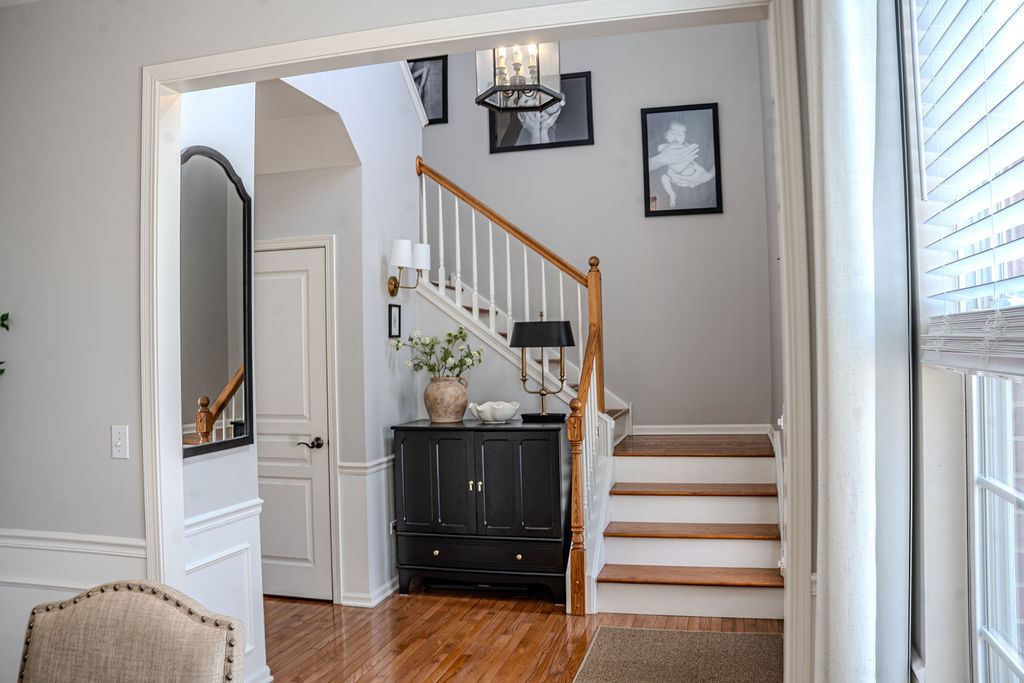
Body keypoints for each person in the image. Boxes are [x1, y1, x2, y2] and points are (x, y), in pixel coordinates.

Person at [647, 121, 715, 208]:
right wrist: (666, 148)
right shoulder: (665, 146)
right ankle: (672, 194)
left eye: (681, 135)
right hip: (674, 175)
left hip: (690, 170)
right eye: (672, 133)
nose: (676, 136)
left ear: (685, 138)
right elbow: (660, 148)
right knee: (664, 178)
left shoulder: (685, 145)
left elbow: (693, 153)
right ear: (665, 135)